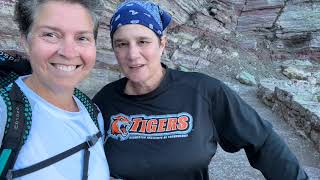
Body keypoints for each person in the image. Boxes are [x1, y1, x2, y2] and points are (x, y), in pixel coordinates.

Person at [93, 0, 308, 179]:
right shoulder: (104, 101)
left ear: (162, 44)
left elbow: (263, 141)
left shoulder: (203, 91)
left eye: (143, 41)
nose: (132, 54)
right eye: (121, 44)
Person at [0, 0, 110, 179]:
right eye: (51, 34)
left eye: (82, 38)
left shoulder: (93, 113)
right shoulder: (5, 113)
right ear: (25, 41)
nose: (68, 52)